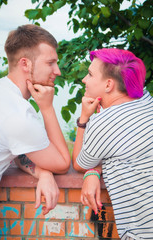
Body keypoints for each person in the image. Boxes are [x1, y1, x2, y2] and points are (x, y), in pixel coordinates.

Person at [72, 48, 153, 239]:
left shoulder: (105, 123)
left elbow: (79, 163)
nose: (84, 79)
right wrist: (95, 170)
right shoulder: (145, 100)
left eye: (90, 74)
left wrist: (84, 118)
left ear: (108, 84)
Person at [0, 24, 71, 214]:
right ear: (25, 64)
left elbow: (18, 151)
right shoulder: (18, 114)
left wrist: (43, 171)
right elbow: (62, 163)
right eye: (50, 62)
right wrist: (47, 108)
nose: (58, 71)